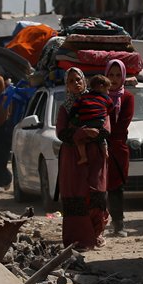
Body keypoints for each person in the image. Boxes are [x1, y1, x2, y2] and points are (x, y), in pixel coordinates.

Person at [55, 67, 110, 250]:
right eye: (71, 81)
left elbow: (105, 128)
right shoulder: (65, 108)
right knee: (76, 197)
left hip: (96, 155)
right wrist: (83, 133)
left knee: (97, 193)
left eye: (78, 79)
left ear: (84, 81)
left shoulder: (98, 100)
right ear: (67, 86)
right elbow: (62, 133)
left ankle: (97, 233)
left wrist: (94, 134)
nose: (76, 83)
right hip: (72, 158)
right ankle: (78, 239)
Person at [105, 59, 135, 238]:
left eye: (118, 75)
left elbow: (123, 124)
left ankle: (118, 224)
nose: (114, 79)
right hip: (99, 148)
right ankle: (97, 224)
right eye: (111, 74)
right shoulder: (98, 96)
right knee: (98, 188)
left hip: (117, 148)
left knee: (116, 187)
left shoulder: (127, 98)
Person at [67, 74, 114, 166]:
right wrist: (103, 113)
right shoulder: (106, 98)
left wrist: (73, 120)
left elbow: (74, 110)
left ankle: (83, 156)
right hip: (99, 121)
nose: (108, 92)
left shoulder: (83, 97)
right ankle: (105, 152)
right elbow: (111, 108)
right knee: (102, 139)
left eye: (78, 79)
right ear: (101, 87)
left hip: (85, 122)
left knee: (79, 139)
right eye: (107, 89)